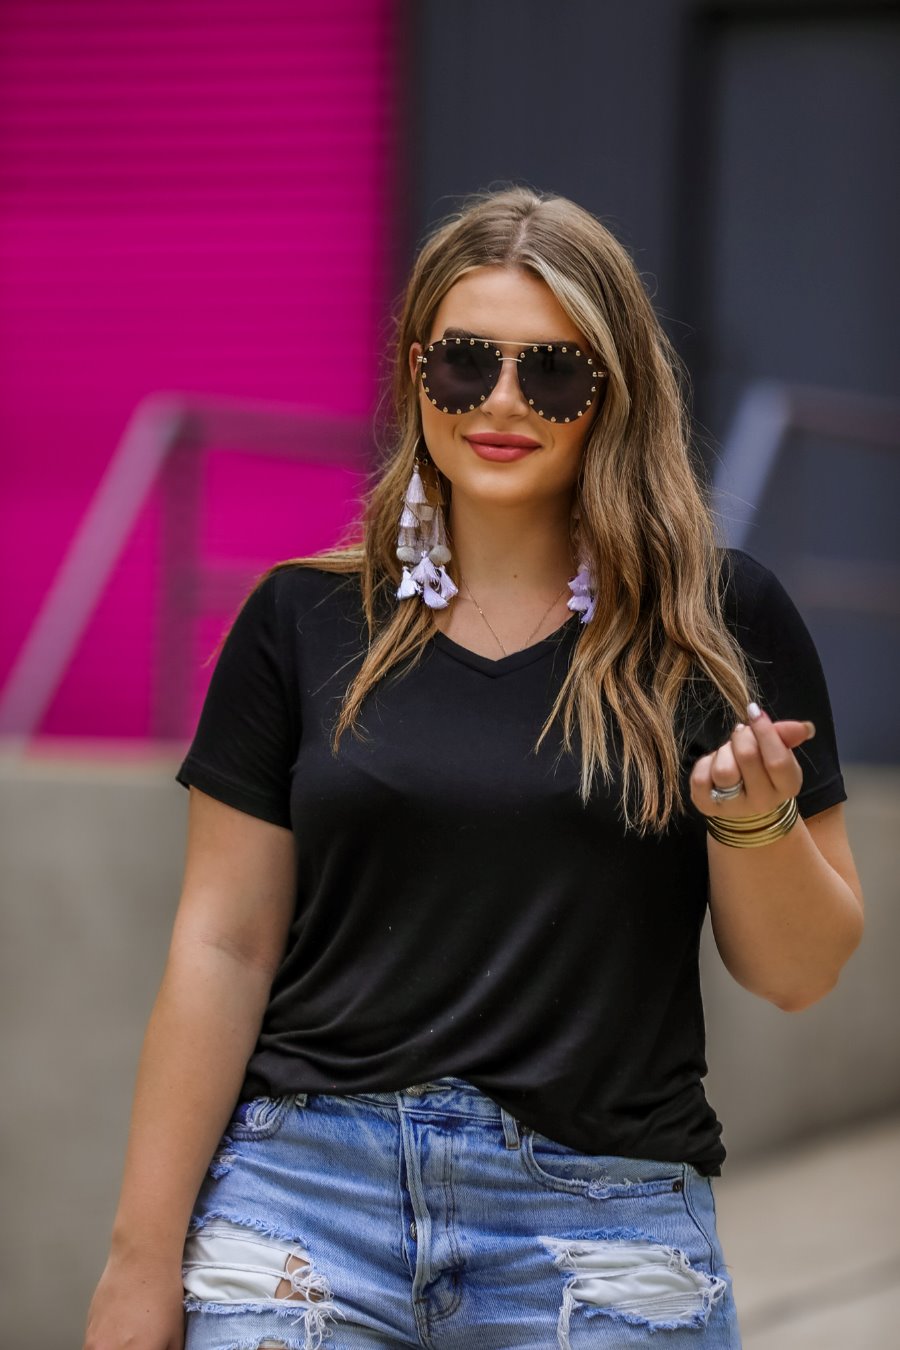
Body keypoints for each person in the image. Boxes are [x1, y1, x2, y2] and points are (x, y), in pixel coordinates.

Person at [84, 187, 864, 1350]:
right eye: (465, 364)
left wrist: (755, 824)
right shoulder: (299, 619)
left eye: (551, 371)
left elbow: (800, 974)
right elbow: (222, 944)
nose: (502, 402)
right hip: (303, 1204)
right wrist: (139, 1265)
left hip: (603, 1227)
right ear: (417, 374)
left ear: (613, 391)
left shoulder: (716, 621)